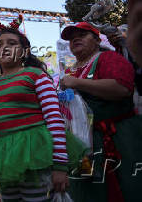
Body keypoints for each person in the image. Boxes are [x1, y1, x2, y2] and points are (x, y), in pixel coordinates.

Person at [0, 15, 84, 202]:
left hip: (35, 156)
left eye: (12, 43)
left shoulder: (36, 76)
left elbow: (54, 120)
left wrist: (60, 166)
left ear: (24, 51)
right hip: (3, 159)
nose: (4, 47)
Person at [60, 22, 142, 202]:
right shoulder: (69, 71)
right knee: (86, 192)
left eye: (82, 34)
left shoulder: (108, 58)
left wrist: (77, 83)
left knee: (122, 189)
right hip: (82, 147)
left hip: (117, 139)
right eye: (72, 37)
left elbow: (121, 88)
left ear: (97, 40)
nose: (76, 39)